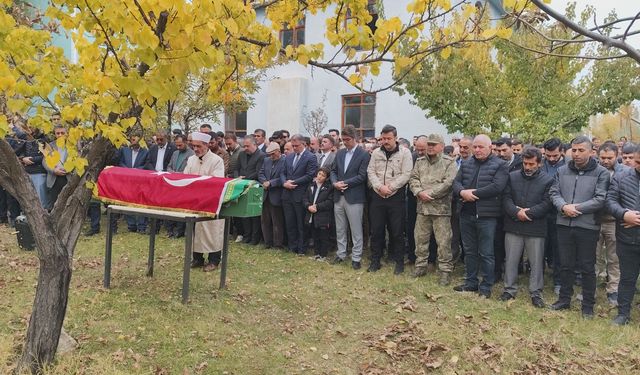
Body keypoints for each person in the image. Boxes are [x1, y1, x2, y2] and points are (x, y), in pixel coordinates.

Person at [549, 136, 609, 318]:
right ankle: (564, 299)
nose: (576, 154)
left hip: (587, 226)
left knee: (587, 266)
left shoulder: (601, 173)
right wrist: (563, 206)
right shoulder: (562, 171)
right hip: (564, 224)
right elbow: (554, 192)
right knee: (565, 265)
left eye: (581, 150)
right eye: (574, 150)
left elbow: (600, 198)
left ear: (592, 152)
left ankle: (588, 305)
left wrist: (577, 208)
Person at [452, 134, 508, 298]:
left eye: (480, 147)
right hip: (465, 213)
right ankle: (471, 282)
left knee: (486, 253)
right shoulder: (467, 163)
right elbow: (456, 183)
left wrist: (473, 193)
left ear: (490, 147)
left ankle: (486, 287)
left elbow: (497, 186)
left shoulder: (500, 165)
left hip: (486, 216)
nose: (477, 150)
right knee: (469, 250)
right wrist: (462, 192)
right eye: (475, 147)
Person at [500, 147, 553, 308]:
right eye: (525, 163)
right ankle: (509, 289)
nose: (528, 167)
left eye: (531, 164)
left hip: (535, 226)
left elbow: (547, 203)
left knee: (536, 262)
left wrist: (529, 213)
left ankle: (536, 292)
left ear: (539, 163)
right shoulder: (512, 176)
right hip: (513, 224)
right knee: (511, 259)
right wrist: (516, 212)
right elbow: (506, 198)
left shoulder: (548, 180)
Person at [409, 134, 457, 285]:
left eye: (434, 144)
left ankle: (445, 271)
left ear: (442, 146)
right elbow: (413, 178)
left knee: (443, 242)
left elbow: (448, 183)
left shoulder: (449, 163)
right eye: (429, 144)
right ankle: (420, 266)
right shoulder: (420, 161)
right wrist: (418, 192)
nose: (430, 147)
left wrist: (428, 193)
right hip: (422, 208)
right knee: (420, 239)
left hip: (440, 210)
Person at [366, 124, 413, 274]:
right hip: (378, 196)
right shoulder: (375, 153)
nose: (385, 141)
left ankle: (399, 262)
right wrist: (380, 187)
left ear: (395, 138)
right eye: (383, 138)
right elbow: (370, 171)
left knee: (397, 231)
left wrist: (390, 187)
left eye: (388, 138)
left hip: (396, 197)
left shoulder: (405, 153)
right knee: (377, 230)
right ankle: (375, 260)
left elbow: (406, 174)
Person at [606, 145, 640, 325]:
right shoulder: (621, 177)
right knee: (627, 278)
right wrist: (623, 214)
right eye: (638, 162)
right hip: (627, 238)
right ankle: (623, 313)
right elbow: (610, 201)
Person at [184, 132, 226, 272]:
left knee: (211, 230)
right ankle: (197, 258)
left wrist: (199, 182)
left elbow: (216, 181)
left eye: (198, 146)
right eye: (193, 146)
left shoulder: (216, 160)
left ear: (206, 145)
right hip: (194, 201)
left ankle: (214, 260)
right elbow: (185, 177)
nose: (195, 149)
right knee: (196, 230)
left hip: (210, 201)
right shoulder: (191, 159)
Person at [330, 124, 370, 269]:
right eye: (343, 139)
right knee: (340, 228)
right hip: (338, 195)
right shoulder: (339, 153)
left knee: (356, 228)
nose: (344, 142)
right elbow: (333, 170)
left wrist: (344, 183)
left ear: (355, 138)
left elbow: (362, 176)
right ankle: (341, 253)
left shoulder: (364, 154)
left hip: (354, 197)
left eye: (347, 139)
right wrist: (335, 183)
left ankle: (356, 257)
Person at [595, 143, 628, 306]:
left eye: (609, 158)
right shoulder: (593, 170)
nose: (606, 161)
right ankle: (591, 287)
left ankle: (613, 290)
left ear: (617, 155)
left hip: (615, 221)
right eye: (603, 158)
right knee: (593, 256)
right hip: (594, 219)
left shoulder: (625, 173)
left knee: (614, 258)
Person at [281, 134, 317, 255]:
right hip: (287, 194)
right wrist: (284, 182)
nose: (295, 148)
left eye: (297, 145)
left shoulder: (310, 157)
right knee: (290, 223)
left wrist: (294, 182)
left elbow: (310, 174)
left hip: (300, 194)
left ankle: (302, 248)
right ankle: (292, 246)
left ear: (304, 144)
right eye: (293, 145)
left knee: (301, 224)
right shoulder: (289, 157)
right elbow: (283, 172)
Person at [541, 138, 566, 294]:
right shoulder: (540, 164)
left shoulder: (568, 166)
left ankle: (558, 281)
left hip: (559, 213)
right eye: (548, 155)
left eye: (554, 156)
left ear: (561, 152)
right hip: (541, 212)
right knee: (540, 247)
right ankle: (538, 278)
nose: (551, 159)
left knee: (558, 249)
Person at [116, 133, 149, 233]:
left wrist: (136, 170)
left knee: (141, 203)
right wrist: (127, 170)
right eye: (132, 140)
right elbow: (120, 162)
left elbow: (147, 164)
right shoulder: (124, 150)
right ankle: (131, 225)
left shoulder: (146, 152)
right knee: (127, 201)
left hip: (140, 181)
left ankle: (142, 226)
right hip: (127, 180)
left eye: (135, 140)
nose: (133, 142)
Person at [236, 135, 266, 245]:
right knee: (245, 213)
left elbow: (259, 172)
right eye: (244, 146)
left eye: (247, 146)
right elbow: (237, 169)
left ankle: (255, 238)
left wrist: (246, 178)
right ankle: (246, 236)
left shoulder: (261, 156)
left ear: (254, 144)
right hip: (242, 186)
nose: (245, 148)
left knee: (254, 214)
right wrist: (238, 177)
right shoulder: (242, 154)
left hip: (254, 187)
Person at [258, 142, 286, 249]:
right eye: (269, 154)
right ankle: (267, 242)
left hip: (276, 194)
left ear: (279, 151)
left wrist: (271, 183)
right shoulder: (266, 161)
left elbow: (283, 177)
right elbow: (260, 173)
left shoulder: (284, 161)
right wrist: (264, 181)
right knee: (265, 220)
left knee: (277, 221)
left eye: (273, 154)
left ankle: (278, 243)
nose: (271, 156)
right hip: (265, 194)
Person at [303, 167, 334, 261]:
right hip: (311, 215)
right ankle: (316, 253)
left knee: (323, 236)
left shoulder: (329, 187)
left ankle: (323, 255)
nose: (320, 177)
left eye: (323, 175)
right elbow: (305, 198)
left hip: (323, 216)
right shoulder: (311, 185)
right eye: (319, 174)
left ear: (326, 178)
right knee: (315, 235)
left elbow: (330, 202)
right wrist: (308, 206)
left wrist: (317, 206)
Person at [43, 125, 69, 210]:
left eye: (62, 133)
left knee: (67, 204)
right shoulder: (50, 146)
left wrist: (67, 169)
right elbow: (45, 161)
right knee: (53, 205)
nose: (60, 135)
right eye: (58, 133)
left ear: (67, 133)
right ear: (55, 134)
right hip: (53, 178)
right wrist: (54, 170)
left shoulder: (72, 146)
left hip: (68, 177)